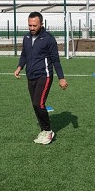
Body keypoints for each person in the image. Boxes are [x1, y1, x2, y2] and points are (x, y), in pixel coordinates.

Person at [14, 12, 68, 145]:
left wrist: (61, 78)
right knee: (35, 104)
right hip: (30, 75)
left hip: (44, 76)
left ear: (41, 24)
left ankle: (48, 131)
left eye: (34, 25)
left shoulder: (49, 39)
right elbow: (24, 54)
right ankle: (43, 130)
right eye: (29, 25)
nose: (31, 28)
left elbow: (55, 60)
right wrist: (19, 67)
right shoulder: (26, 37)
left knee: (39, 103)